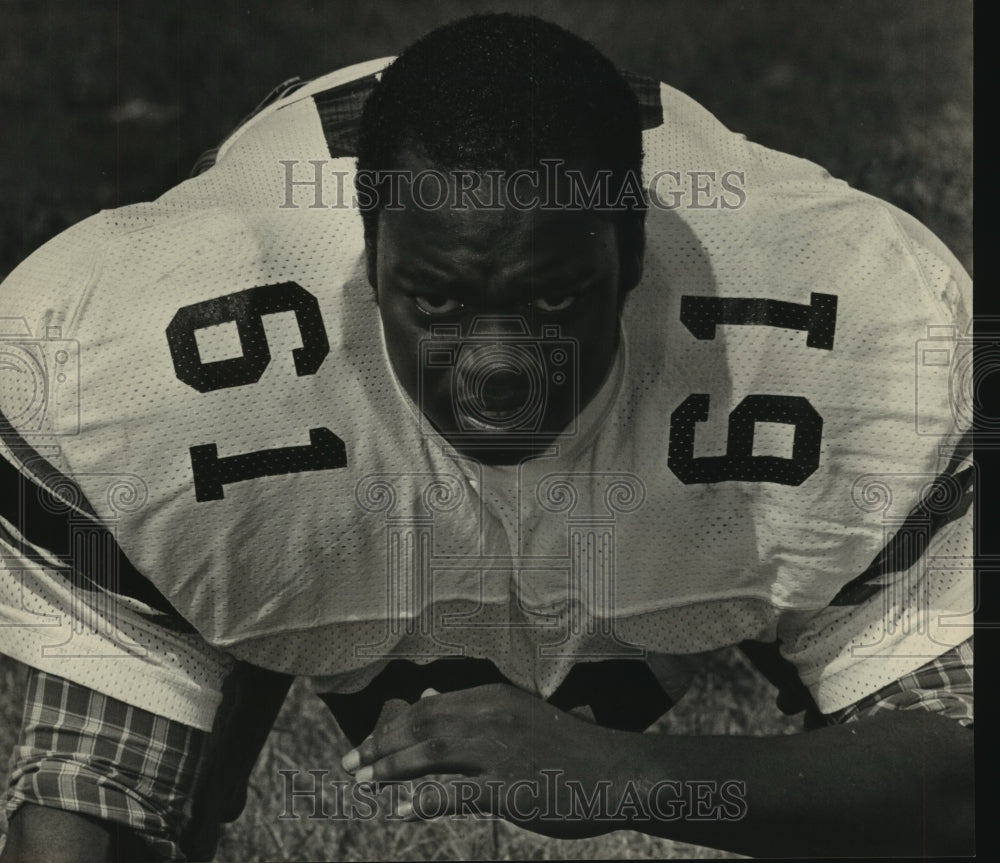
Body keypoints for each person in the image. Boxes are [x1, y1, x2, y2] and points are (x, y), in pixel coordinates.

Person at [0, 13, 973, 861]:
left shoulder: (835, 324)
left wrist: (635, 775)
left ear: (633, 254)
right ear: (367, 267)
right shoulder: (157, 357)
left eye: (553, 295)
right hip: (294, 431)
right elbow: (83, 810)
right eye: (440, 298)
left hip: (689, 416)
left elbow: (963, 781)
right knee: (238, 540)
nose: (498, 366)